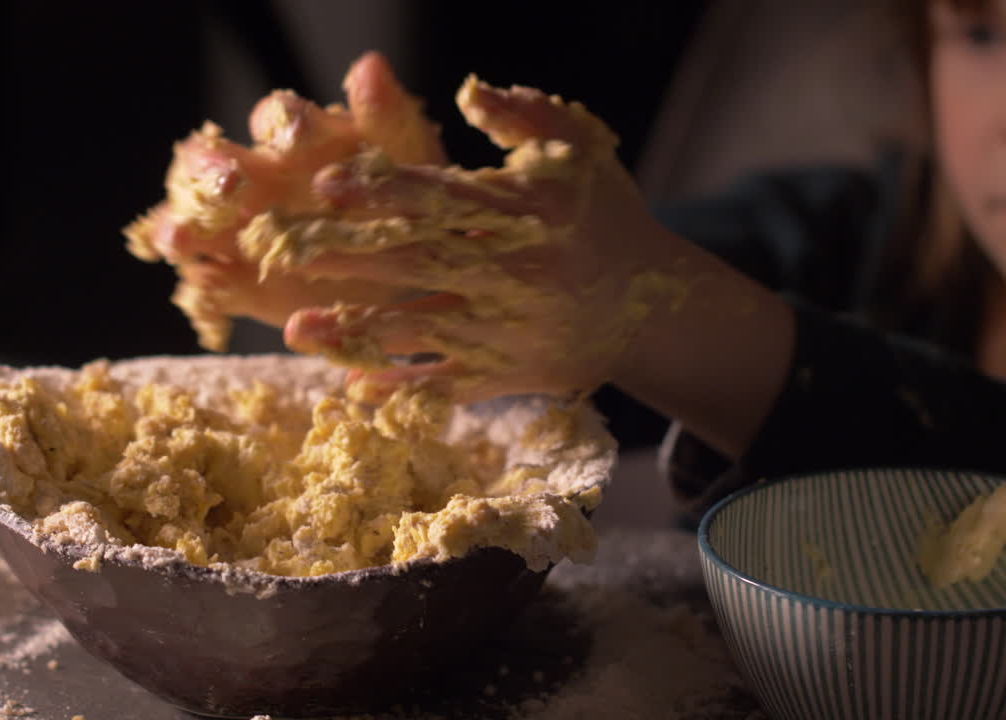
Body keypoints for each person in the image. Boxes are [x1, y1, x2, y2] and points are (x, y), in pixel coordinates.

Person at [125, 0, 1006, 519]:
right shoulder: (837, 233)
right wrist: (433, 261)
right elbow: (590, 294)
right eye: (982, 33)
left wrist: (664, 316)